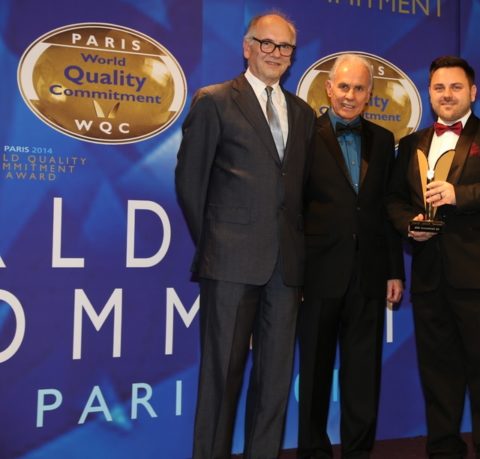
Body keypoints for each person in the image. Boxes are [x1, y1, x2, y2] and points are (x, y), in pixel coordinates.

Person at [174, 12, 315, 459]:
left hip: (285, 269)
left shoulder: (303, 112)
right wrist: (218, 245)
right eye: (266, 43)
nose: (275, 53)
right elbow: (190, 185)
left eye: (285, 47)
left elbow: (299, 191)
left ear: (293, 56)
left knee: (274, 384)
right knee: (222, 379)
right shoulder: (214, 101)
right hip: (230, 264)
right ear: (247, 47)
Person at [387, 56, 480, 459]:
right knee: (438, 377)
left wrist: (458, 194)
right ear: (429, 93)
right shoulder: (412, 144)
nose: (447, 95)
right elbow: (394, 199)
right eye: (439, 88)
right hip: (431, 279)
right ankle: (444, 450)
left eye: (455, 87)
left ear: (473, 92)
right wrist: (406, 223)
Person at [297, 53, 405, 459]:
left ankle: (358, 452)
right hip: (318, 274)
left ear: (370, 94)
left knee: (363, 376)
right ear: (329, 88)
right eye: (343, 86)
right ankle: (313, 452)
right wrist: (295, 272)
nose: (350, 95)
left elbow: (385, 208)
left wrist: (395, 271)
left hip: (369, 275)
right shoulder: (305, 133)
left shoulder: (384, 140)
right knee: (314, 375)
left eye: (359, 88)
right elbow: (293, 208)